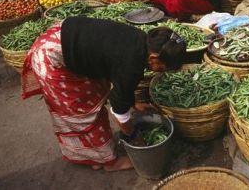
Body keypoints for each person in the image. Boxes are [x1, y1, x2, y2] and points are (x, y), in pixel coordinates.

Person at [21, 17, 187, 171]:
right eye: (165, 68)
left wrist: (132, 102)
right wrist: (135, 137)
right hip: (52, 57)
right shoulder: (131, 65)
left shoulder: (140, 40)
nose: (163, 72)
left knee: (95, 96)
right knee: (81, 112)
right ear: (154, 57)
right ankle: (108, 162)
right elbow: (119, 112)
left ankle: (95, 156)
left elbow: (120, 79)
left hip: (61, 36)